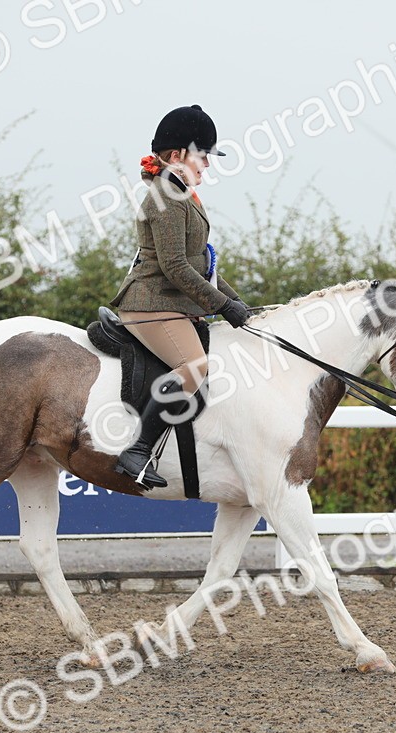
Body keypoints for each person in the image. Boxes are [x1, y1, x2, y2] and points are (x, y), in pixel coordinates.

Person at [108, 104, 253, 489]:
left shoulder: (181, 194)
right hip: (150, 303)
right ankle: (138, 451)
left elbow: (201, 264)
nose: (207, 164)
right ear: (177, 156)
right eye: (202, 156)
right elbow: (175, 267)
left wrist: (242, 306)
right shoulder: (166, 198)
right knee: (194, 367)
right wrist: (223, 307)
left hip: (168, 303)